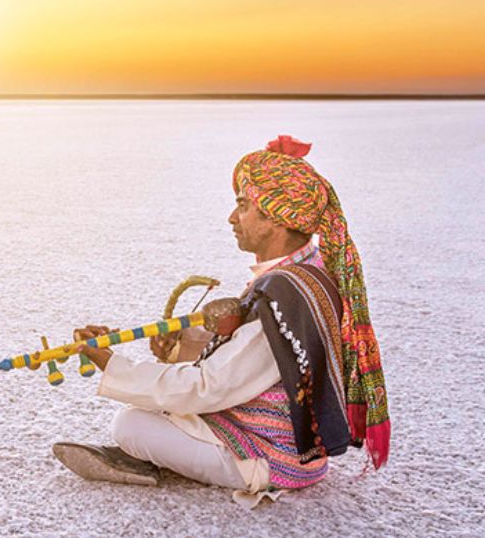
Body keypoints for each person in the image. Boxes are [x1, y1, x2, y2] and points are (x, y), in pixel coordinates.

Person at [53, 134, 391, 505]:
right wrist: (183, 349)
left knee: (131, 423)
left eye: (243, 206)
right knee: (161, 402)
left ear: (276, 217)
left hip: (275, 459)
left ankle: (151, 460)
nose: (232, 217)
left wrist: (112, 366)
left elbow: (209, 388)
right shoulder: (308, 270)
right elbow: (255, 365)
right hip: (288, 446)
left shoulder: (285, 293)